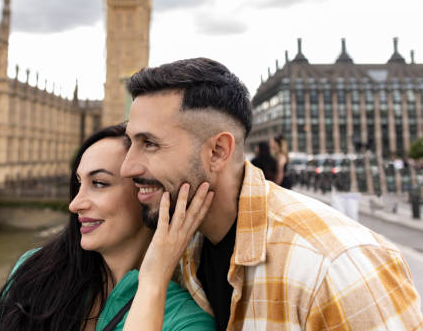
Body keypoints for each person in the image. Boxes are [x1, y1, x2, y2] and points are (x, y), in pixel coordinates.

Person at [121, 57, 423, 330]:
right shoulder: (178, 248)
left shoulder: (332, 267)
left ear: (217, 152)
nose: (127, 167)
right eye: (130, 142)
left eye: (149, 143)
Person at [0, 124, 215, 331]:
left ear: (149, 194)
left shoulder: (185, 321)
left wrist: (153, 282)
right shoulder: (33, 272)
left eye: (99, 183)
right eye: (79, 184)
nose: (75, 204)